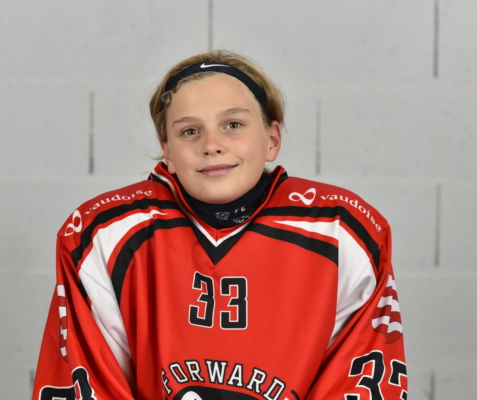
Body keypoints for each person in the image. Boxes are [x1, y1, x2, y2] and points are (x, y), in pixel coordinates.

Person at [32, 50, 407, 400]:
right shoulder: (100, 235)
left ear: (272, 139)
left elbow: (355, 382)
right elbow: (89, 380)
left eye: (233, 124)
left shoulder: (344, 232)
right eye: (189, 131)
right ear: (167, 151)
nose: (211, 144)